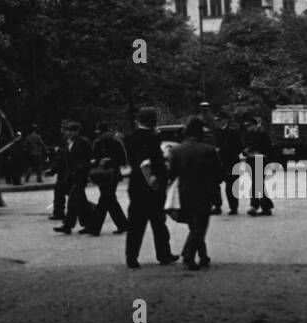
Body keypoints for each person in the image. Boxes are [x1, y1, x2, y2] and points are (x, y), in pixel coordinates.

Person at [123, 108, 178, 268]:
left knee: (135, 223)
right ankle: (163, 254)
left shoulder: (130, 137)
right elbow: (147, 163)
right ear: (153, 121)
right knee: (158, 222)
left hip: (136, 184)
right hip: (152, 185)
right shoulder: (153, 138)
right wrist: (154, 179)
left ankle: (131, 256)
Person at [166, 116, 220, 270]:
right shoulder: (208, 150)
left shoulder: (177, 150)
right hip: (204, 193)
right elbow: (217, 174)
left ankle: (203, 256)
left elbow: (172, 173)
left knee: (194, 226)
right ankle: (188, 255)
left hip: (184, 192)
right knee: (200, 227)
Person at [53, 121, 94, 234]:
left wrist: (81, 167)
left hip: (81, 175)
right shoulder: (67, 143)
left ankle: (68, 226)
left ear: (77, 131)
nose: (69, 133)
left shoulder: (83, 142)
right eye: (68, 130)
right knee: (80, 202)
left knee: (73, 200)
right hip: (71, 175)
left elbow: (90, 158)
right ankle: (90, 224)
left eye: (72, 131)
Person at [87, 123, 128, 235]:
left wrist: (108, 160)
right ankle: (123, 224)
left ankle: (95, 227)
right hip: (106, 174)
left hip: (109, 174)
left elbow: (122, 160)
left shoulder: (112, 142)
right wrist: (99, 161)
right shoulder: (102, 143)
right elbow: (93, 158)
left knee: (105, 200)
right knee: (110, 200)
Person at [213, 113, 244, 215]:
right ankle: (217, 206)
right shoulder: (216, 132)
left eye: (219, 120)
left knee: (231, 186)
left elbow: (240, 146)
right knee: (215, 185)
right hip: (219, 162)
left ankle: (233, 207)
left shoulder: (233, 132)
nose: (217, 122)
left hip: (231, 162)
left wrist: (229, 151)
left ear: (225, 120)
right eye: (217, 120)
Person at [244, 116, 274, 215]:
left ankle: (254, 206)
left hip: (260, 159)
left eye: (249, 125)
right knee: (258, 184)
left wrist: (255, 150)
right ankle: (266, 207)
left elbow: (268, 148)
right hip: (251, 160)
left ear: (254, 125)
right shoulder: (248, 134)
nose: (247, 127)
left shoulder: (262, 134)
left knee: (256, 184)